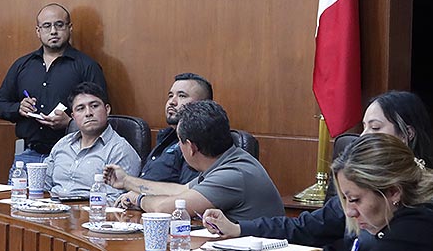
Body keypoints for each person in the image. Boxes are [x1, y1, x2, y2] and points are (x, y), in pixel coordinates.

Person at [202, 90, 433, 251]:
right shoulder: (356, 183)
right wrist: (239, 228)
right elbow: (306, 227)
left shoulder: (425, 197)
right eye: (363, 127)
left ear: (407, 135)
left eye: (375, 128)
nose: (363, 137)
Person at [110, 100, 283, 219]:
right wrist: (126, 181)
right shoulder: (226, 160)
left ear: (191, 147)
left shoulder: (233, 174)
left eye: (179, 141)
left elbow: (166, 208)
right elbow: (181, 191)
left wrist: (139, 200)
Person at [0, 4, 107, 167]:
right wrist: (18, 108)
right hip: (29, 155)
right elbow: (0, 105)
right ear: (38, 31)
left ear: (69, 28)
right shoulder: (22, 65)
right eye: (47, 26)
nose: (53, 31)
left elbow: (101, 113)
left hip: (73, 155)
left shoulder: (87, 66)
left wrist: (70, 123)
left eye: (59, 25)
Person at [43, 82, 140, 201]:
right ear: (73, 117)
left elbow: (115, 200)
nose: (88, 113)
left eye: (94, 106)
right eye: (80, 109)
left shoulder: (120, 150)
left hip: (91, 210)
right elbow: (43, 185)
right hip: (51, 207)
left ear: (107, 109)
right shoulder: (63, 144)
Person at [137, 72, 212, 183]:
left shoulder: (199, 144)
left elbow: (187, 191)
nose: (172, 102)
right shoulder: (167, 137)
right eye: (170, 96)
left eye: (182, 96)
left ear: (203, 105)